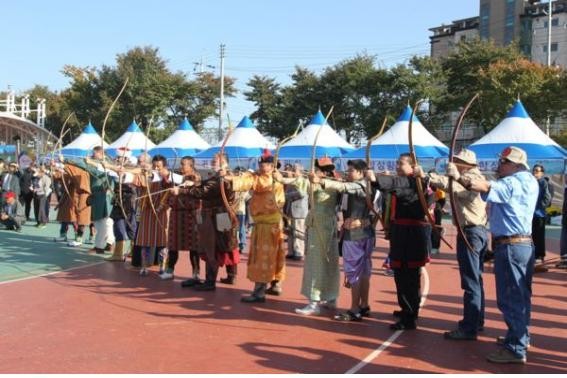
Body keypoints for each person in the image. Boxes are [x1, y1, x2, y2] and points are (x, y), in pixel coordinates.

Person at [458, 146, 537, 364]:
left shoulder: (512, 182)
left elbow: (481, 185)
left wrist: (459, 177)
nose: (499, 165)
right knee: (521, 296)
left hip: (511, 245)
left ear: (516, 165)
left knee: (510, 297)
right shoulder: (529, 181)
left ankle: (515, 348)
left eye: (504, 162)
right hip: (521, 244)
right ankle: (520, 337)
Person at [417, 149, 488, 340]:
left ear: (466, 164)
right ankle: (476, 320)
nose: (454, 163)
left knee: (471, 281)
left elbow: (455, 188)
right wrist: (430, 176)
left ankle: (469, 327)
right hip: (475, 232)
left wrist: (428, 177)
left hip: (471, 232)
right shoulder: (465, 177)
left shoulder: (471, 178)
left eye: (457, 161)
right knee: (476, 279)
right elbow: (451, 184)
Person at [367, 154, 432, 330]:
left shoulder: (413, 182)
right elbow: (395, 185)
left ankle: (409, 316)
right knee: (404, 274)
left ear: (413, 167)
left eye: (401, 163)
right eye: (396, 163)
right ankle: (409, 310)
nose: (397, 166)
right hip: (402, 233)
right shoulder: (409, 181)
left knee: (407, 275)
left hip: (410, 235)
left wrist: (375, 179)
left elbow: (396, 184)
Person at [275, 157, 341, 316]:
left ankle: (314, 303)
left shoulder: (329, 183)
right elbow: (303, 181)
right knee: (328, 262)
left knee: (316, 263)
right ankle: (331, 298)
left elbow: (304, 183)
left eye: (317, 169)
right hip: (323, 225)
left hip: (321, 227)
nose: (315, 171)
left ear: (323, 171)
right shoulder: (329, 181)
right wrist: (283, 178)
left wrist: (283, 178)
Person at [311, 159, 374, 322]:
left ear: (361, 172)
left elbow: (345, 187)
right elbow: (343, 186)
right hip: (363, 233)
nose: (348, 173)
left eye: (352, 170)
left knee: (355, 273)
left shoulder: (361, 185)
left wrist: (321, 180)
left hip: (356, 236)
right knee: (364, 271)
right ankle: (364, 306)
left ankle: (354, 309)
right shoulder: (361, 185)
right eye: (348, 170)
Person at [223, 149, 285, 303]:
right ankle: (276, 285)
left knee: (263, 257)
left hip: (268, 224)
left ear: (272, 166)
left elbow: (253, 182)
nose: (263, 166)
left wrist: (228, 177)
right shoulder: (262, 177)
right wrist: (227, 176)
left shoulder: (270, 179)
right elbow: (247, 179)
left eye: (267, 164)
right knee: (274, 255)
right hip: (269, 223)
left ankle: (259, 292)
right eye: (262, 163)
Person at [173, 153, 239, 290]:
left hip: (218, 215)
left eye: (217, 161)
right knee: (225, 245)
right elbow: (207, 185)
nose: (213, 162)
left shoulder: (225, 177)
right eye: (213, 160)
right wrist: (195, 183)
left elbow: (205, 191)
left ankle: (211, 281)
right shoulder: (220, 177)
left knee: (217, 247)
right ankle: (230, 275)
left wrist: (182, 190)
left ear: (225, 163)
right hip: (220, 215)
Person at [161, 156, 201, 281]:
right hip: (176, 215)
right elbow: (165, 184)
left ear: (191, 165)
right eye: (181, 164)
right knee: (173, 245)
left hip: (191, 215)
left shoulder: (196, 177)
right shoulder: (177, 176)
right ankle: (169, 270)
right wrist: (165, 175)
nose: (181, 166)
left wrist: (180, 190)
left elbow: (195, 187)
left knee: (194, 247)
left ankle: (195, 273)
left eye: (184, 164)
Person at [284, 164, 308, 261]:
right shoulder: (292, 181)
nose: (293, 171)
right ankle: (291, 251)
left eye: (295, 170)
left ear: (300, 172)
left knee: (299, 231)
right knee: (290, 232)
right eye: (293, 169)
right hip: (291, 209)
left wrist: (287, 195)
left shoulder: (304, 181)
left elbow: (302, 193)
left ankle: (298, 252)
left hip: (299, 210)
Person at [531, 164, 551, 272]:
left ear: (542, 173)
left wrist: (539, 207)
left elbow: (547, 198)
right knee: (532, 235)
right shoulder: (531, 183)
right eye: (534, 170)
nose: (535, 172)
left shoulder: (543, 182)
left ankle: (539, 256)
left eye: (537, 171)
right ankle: (534, 255)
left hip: (539, 214)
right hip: (531, 215)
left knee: (539, 236)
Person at [557, 175, 567, 269]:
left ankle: (565, 259)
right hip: (565, 218)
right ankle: (564, 258)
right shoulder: (565, 189)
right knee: (564, 239)